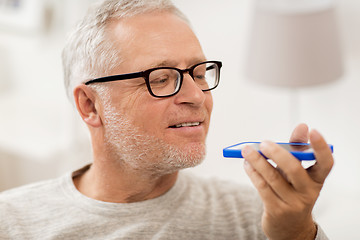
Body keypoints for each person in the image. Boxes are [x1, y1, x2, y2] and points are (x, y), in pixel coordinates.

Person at [0, 0, 333, 239]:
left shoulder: (261, 217)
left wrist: (297, 234)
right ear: (90, 105)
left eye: (200, 73)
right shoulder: (12, 222)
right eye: (160, 78)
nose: (197, 95)